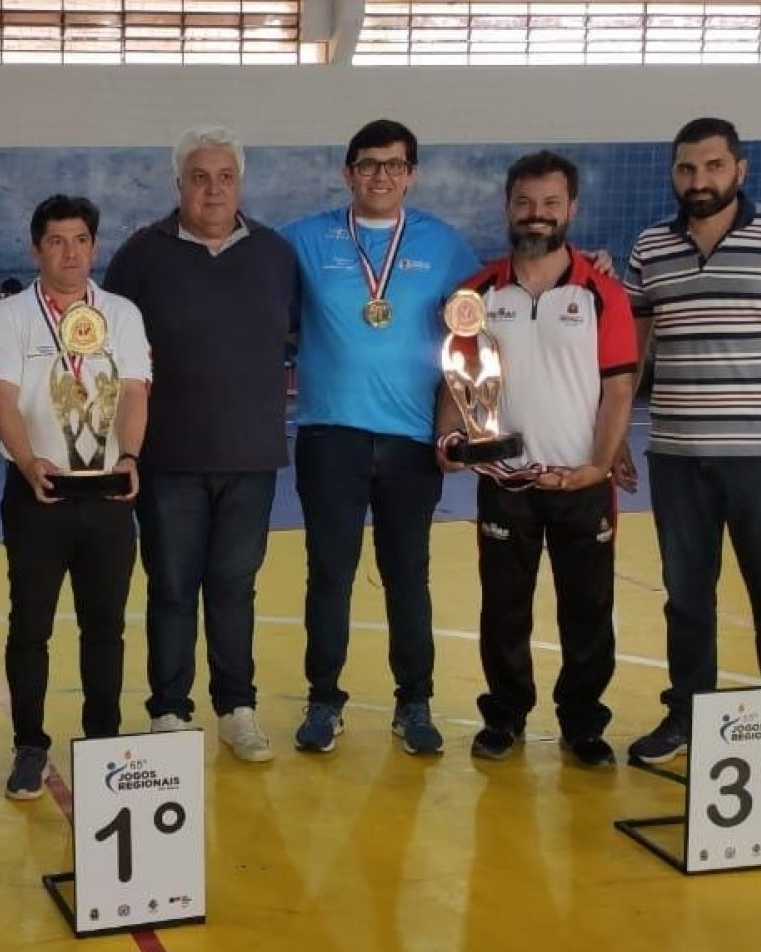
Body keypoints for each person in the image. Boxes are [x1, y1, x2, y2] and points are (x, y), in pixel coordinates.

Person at [620, 117, 761, 798]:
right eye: (687, 168)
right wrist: (612, 437)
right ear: (673, 173)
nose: (700, 180)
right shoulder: (650, 246)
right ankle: (687, 716)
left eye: (713, 166)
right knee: (686, 601)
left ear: (739, 170)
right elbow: (631, 355)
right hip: (677, 458)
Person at [281, 119, 481, 756]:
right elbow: (245, 273)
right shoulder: (304, 239)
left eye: (394, 164)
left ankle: (414, 702)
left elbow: (478, 321)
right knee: (329, 574)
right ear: (348, 172)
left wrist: (455, 421)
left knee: (408, 575)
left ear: (412, 174)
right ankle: (323, 701)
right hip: (329, 435)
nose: (381, 175)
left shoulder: (442, 244)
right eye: (368, 164)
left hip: (412, 441)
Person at [101, 125, 298, 762]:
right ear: (179, 183)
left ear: (241, 183)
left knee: (235, 587)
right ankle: (169, 710)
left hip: (251, 458)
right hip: (168, 460)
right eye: (199, 177)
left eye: (225, 177)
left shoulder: (274, 254)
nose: (213, 190)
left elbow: (295, 333)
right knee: (171, 587)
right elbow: (110, 347)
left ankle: (237, 708)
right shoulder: (141, 255)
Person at [448, 152, 637, 767]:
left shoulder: (602, 292)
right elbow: (457, 378)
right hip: (505, 483)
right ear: (508, 207)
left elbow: (619, 389)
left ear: (571, 209)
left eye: (551, 203)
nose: (537, 215)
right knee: (504, 610)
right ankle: (504, 716)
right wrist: (448, 439)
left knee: (588, 610)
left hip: (582, 482)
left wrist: (598, 465)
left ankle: (583, 723)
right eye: (525, 203)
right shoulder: (477, 293)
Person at [0, 194, 150, 800]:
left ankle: (103, 743)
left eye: (80, 240)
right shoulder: (9, 316)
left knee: (105, 628)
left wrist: (130, 456)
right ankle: (30, 745)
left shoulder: (122, 314)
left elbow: (134, 391)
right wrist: (29, 462)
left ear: (94, 247)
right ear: (36, 249)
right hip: (38, 494)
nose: (70, 253)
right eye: (56, 241)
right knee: (30, 625)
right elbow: (2, 397)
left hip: (107, 495)